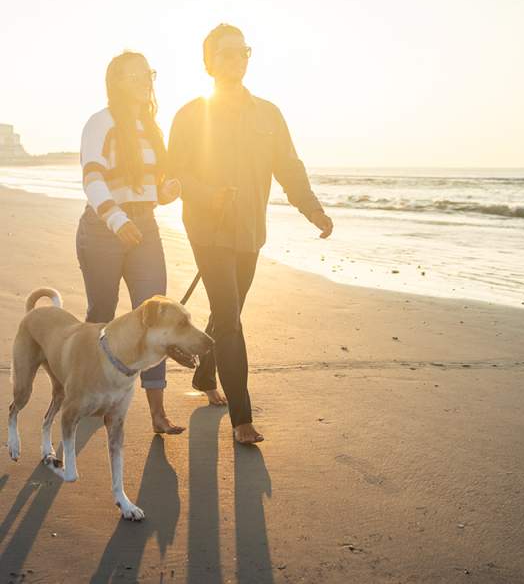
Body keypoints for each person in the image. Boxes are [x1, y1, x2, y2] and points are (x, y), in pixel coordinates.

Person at [168, 24, 333, 444]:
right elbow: (176, 173)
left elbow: (289, 166)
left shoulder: (268, 114)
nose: (235, 59)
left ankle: (206, 374)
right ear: (208, 63)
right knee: (231, 318)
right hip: (207, 228)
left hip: (250, 231)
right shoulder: (190, 114)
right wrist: (210, 195)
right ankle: (242, 419)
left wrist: (311, 207)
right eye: (225, 53)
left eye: (242, 51)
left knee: (229, 312)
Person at [76, 51, 184, 434]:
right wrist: (116, 218)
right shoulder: (100, 123)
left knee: (158, 318)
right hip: (103, 229)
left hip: (146, 229)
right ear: (117, 81)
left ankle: (157, 412)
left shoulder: (150, 127)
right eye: (136, 76)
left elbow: (148, 185)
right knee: (102, 314)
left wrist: (167, 191)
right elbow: (93, 177)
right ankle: (90, 392)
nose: (145, 82)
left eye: (148, 75)